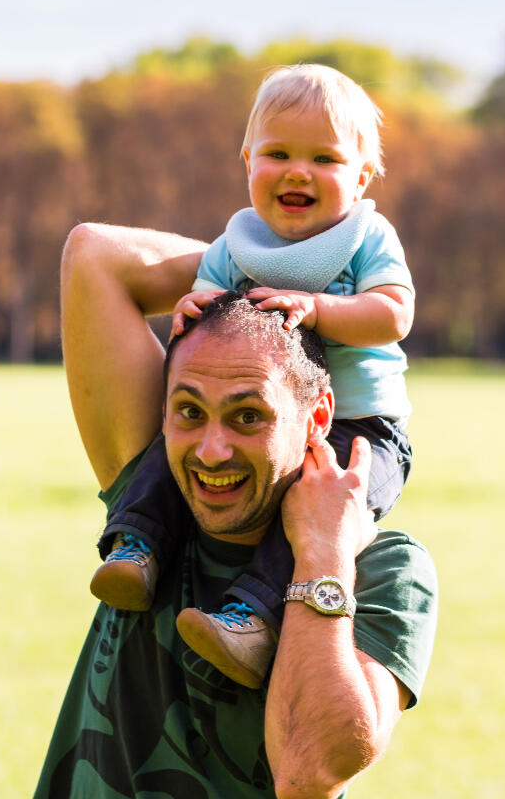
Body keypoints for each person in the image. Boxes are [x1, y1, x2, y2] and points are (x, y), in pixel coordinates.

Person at [34, 225, 437, 799]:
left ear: (318, 419)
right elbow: (96, 255)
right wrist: (255, 264)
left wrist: (321, 554)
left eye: (249, 416)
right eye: (189, 411)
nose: (211, 450)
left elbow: (309, 773)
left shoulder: (386, 571)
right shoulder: (152, 509)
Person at [91, 64, 416, 685]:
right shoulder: (234, 246)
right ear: (248, 162)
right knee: (171, 453)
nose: (298, 171)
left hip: (359, 427)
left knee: (317, 514)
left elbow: (394, 313)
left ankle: (251, 621)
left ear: (362, 176)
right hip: (257, 418)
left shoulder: (366, 237)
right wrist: (191, 310)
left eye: (324, 158)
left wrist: (320, 309)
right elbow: (211, 323)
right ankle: (136, 547)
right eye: (278, 153)